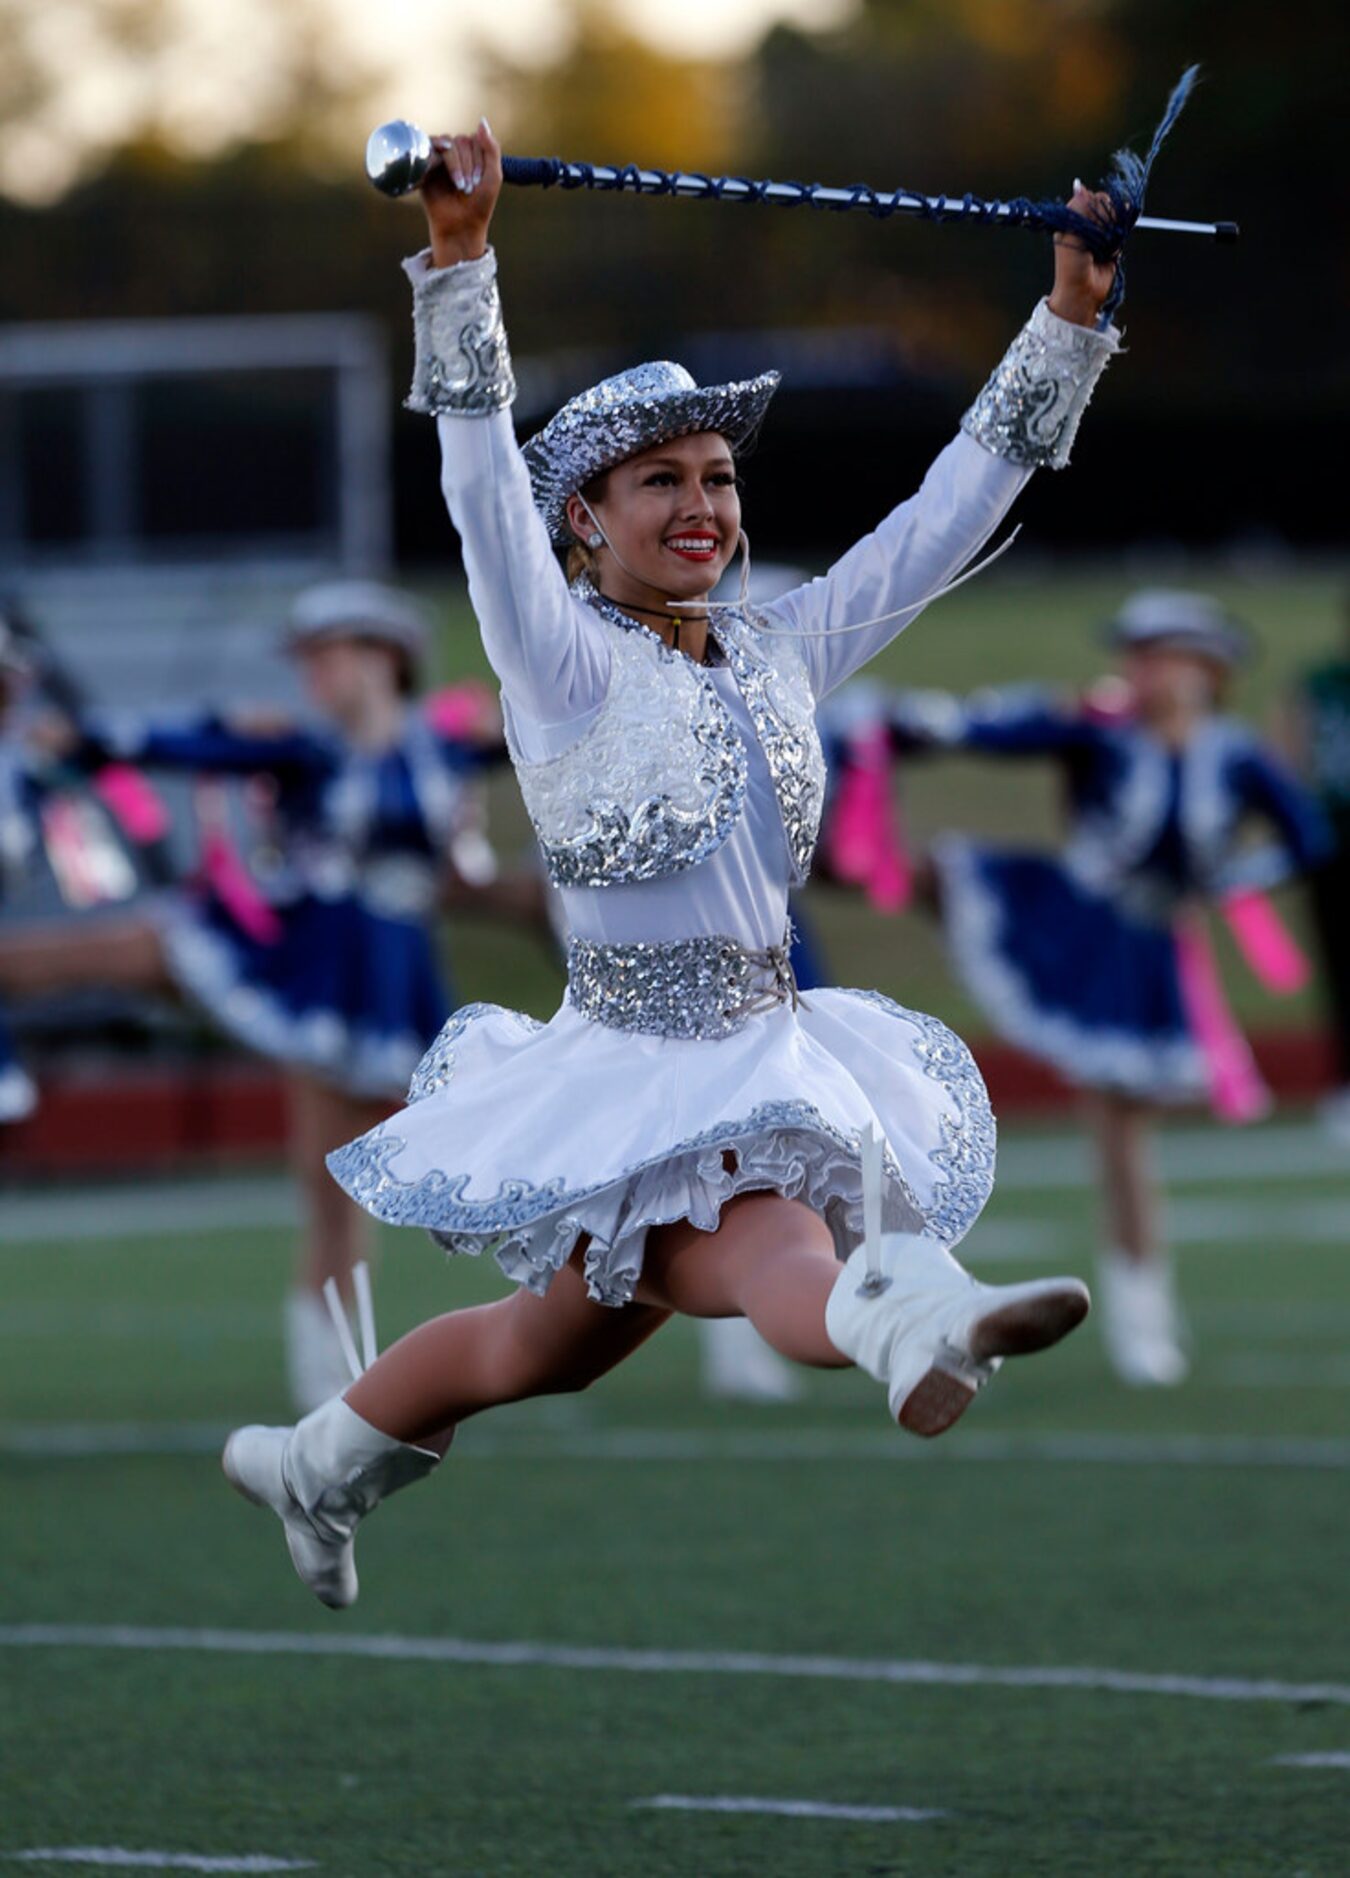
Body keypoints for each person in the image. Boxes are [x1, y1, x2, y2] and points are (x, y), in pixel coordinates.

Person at [222, 118, 1118, 1610]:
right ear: (583, 521)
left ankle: (310, 1464)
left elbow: (945, 510)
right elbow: (473, 495)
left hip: (766, 1034)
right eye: (659, 483)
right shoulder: (558, 659)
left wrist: (1067, 321)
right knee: (772, 1234)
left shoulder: (778, 649)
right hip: (639, 1061)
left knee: (527, 1352)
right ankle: (914, 1318)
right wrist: (459, 263)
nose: (703, 504)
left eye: (715, 475)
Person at [2, 581, 504, 1409]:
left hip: (387, 978)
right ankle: (337, 1383)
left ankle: (340, 1384)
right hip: (300, 953)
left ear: (385, 657)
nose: (312, 674)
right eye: (306, 660)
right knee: (117, 953)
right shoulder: (306, 751)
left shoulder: (441, 750)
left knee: (338, 1184)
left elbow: (546, 748)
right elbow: (198, 748)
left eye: (327, 655)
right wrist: (98, 740)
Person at [859, 590, 1330, 1383]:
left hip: (1146, 958)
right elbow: (983, 730)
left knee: (1122, 1139)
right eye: (1140, 656)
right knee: (939, 874)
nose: (1149, 673)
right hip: (1068, 924)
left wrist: (1228, 878)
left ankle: (1142, 1323)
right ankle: (1139, 1331)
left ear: (1210, 671)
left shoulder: (1234, 755)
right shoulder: (1097, 727)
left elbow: (1308, 837)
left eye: (1170, 657)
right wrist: (899, 720)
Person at [1284, 610, 1350, 1143]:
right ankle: (1343, 1083)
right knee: (1338, 969)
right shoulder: (1321, 684)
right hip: (1331, 846)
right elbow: (1295, 755)